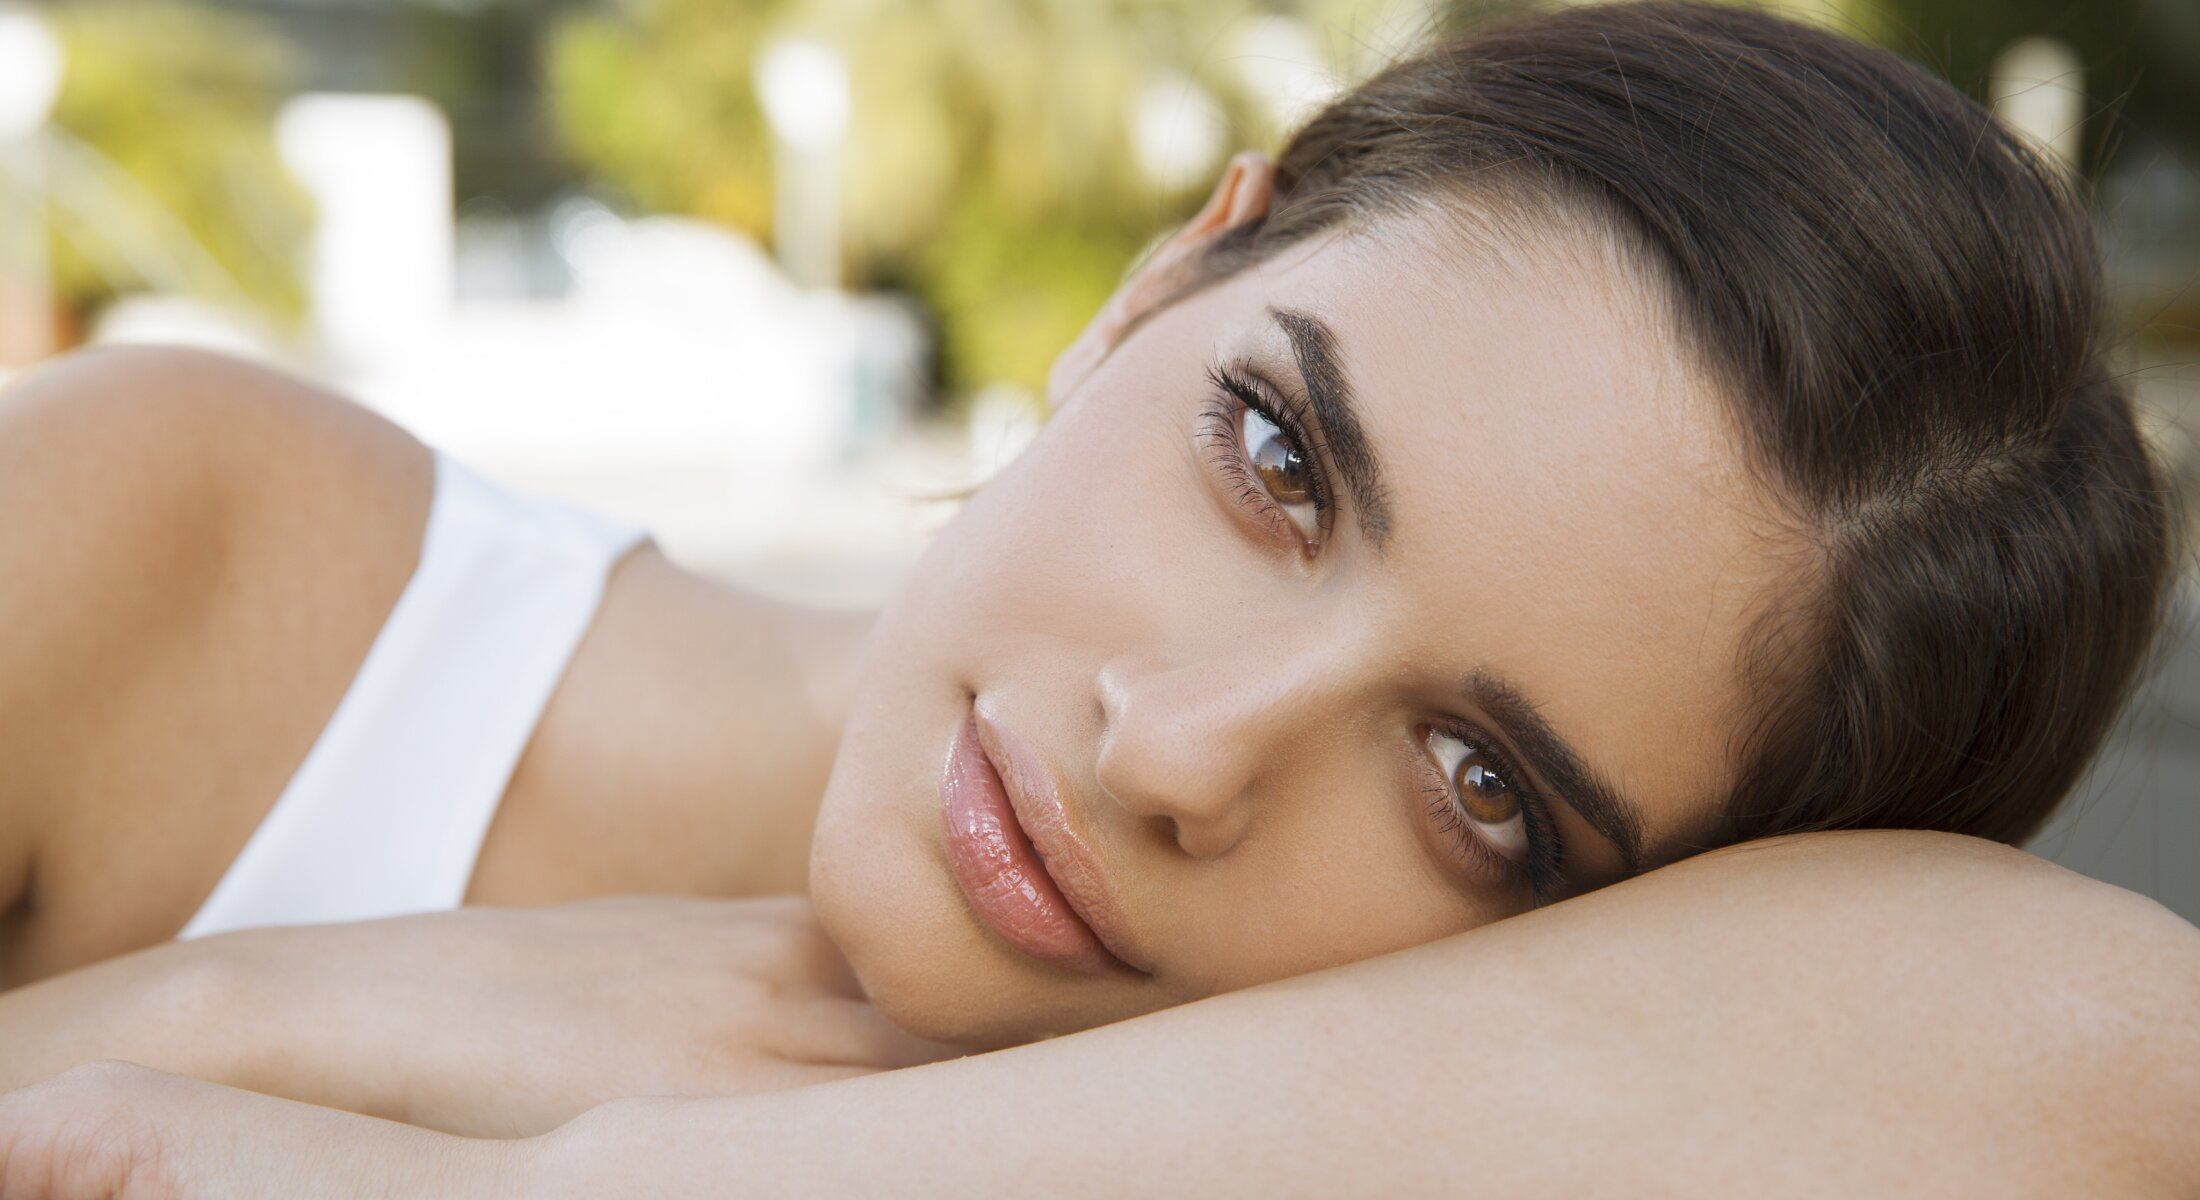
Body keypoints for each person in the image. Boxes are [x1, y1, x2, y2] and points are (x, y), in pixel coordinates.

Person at [1, 1, 2195, 1193]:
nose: (1180, 750)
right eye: (1274, 457)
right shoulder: (191, 557)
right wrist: (139, 1054)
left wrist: (372, 1089)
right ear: (1166, 278)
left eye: (1477, 785)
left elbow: (2118, 1058)